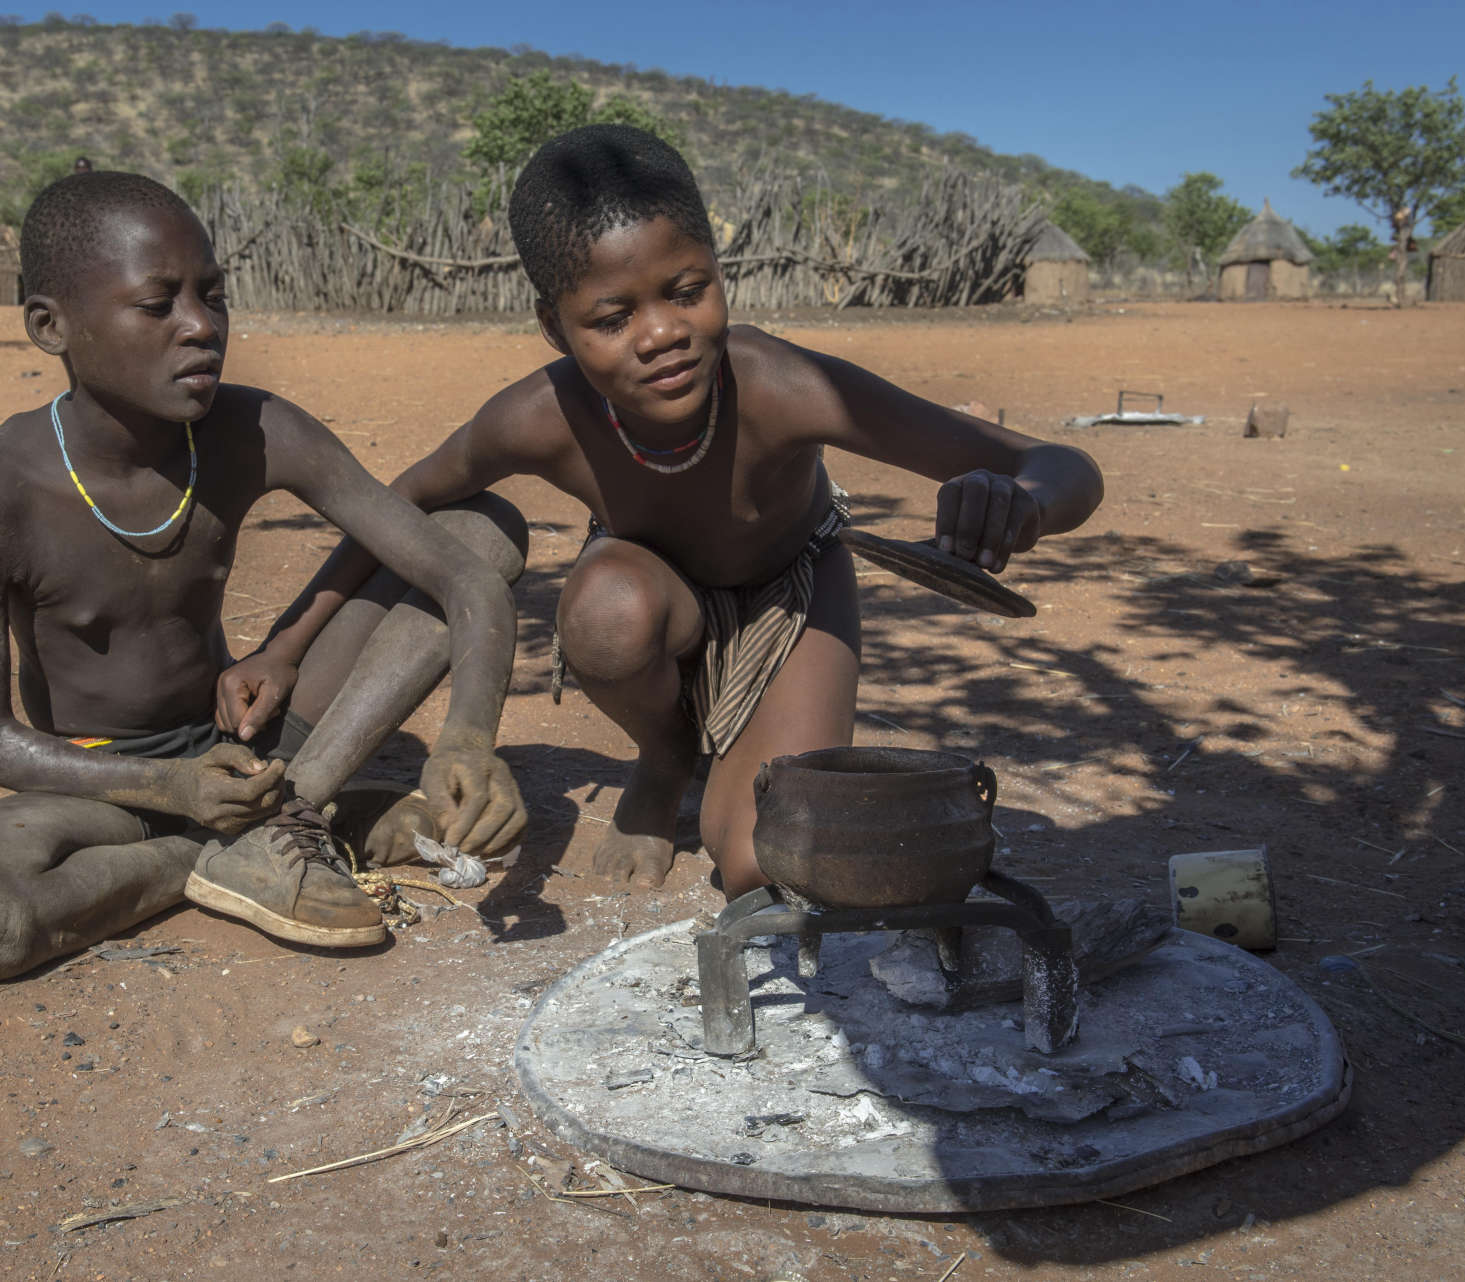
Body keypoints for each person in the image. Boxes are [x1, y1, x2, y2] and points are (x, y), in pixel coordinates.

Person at [262, 125, 1104, 899]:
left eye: (686, 290)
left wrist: (1021, 503)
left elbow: (1064, 466)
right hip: (652, 603)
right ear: (553, 328)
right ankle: (664, 754)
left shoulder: (781, 387)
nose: (661, 333)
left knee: (761, 862)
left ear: (718, 271)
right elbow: (394, 506)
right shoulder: (537, 418)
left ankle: (728, 760)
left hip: (793, 595)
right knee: (604, 612)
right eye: (612, 317)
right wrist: (286, 646)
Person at [0, 171, 527, 981]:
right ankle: (227, 850)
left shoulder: (254, 429)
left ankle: (289, 814)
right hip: (109, 782)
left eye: (214, 296)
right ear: (51, 326)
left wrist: (468, 737)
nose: (202, 326)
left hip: (248, 737)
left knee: (485, 527)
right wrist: (172, 788)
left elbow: (467, 573)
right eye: (158, 305)